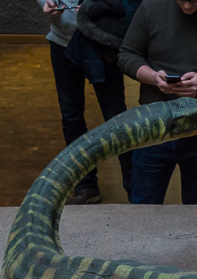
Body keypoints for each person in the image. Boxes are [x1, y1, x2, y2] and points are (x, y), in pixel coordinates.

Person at [118, 0, 197, 205]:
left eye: (195, 0)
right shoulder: (150, 7)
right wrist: (153, 77)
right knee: (143, 206)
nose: (187, 6)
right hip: (154, 124)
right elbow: (127, 54)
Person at [39, 0, 133, 205]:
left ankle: (134, 188)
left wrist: (96, 6)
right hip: (62, 41)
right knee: (71, 117)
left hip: (102, 40)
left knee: (116, 118)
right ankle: (86, 185)